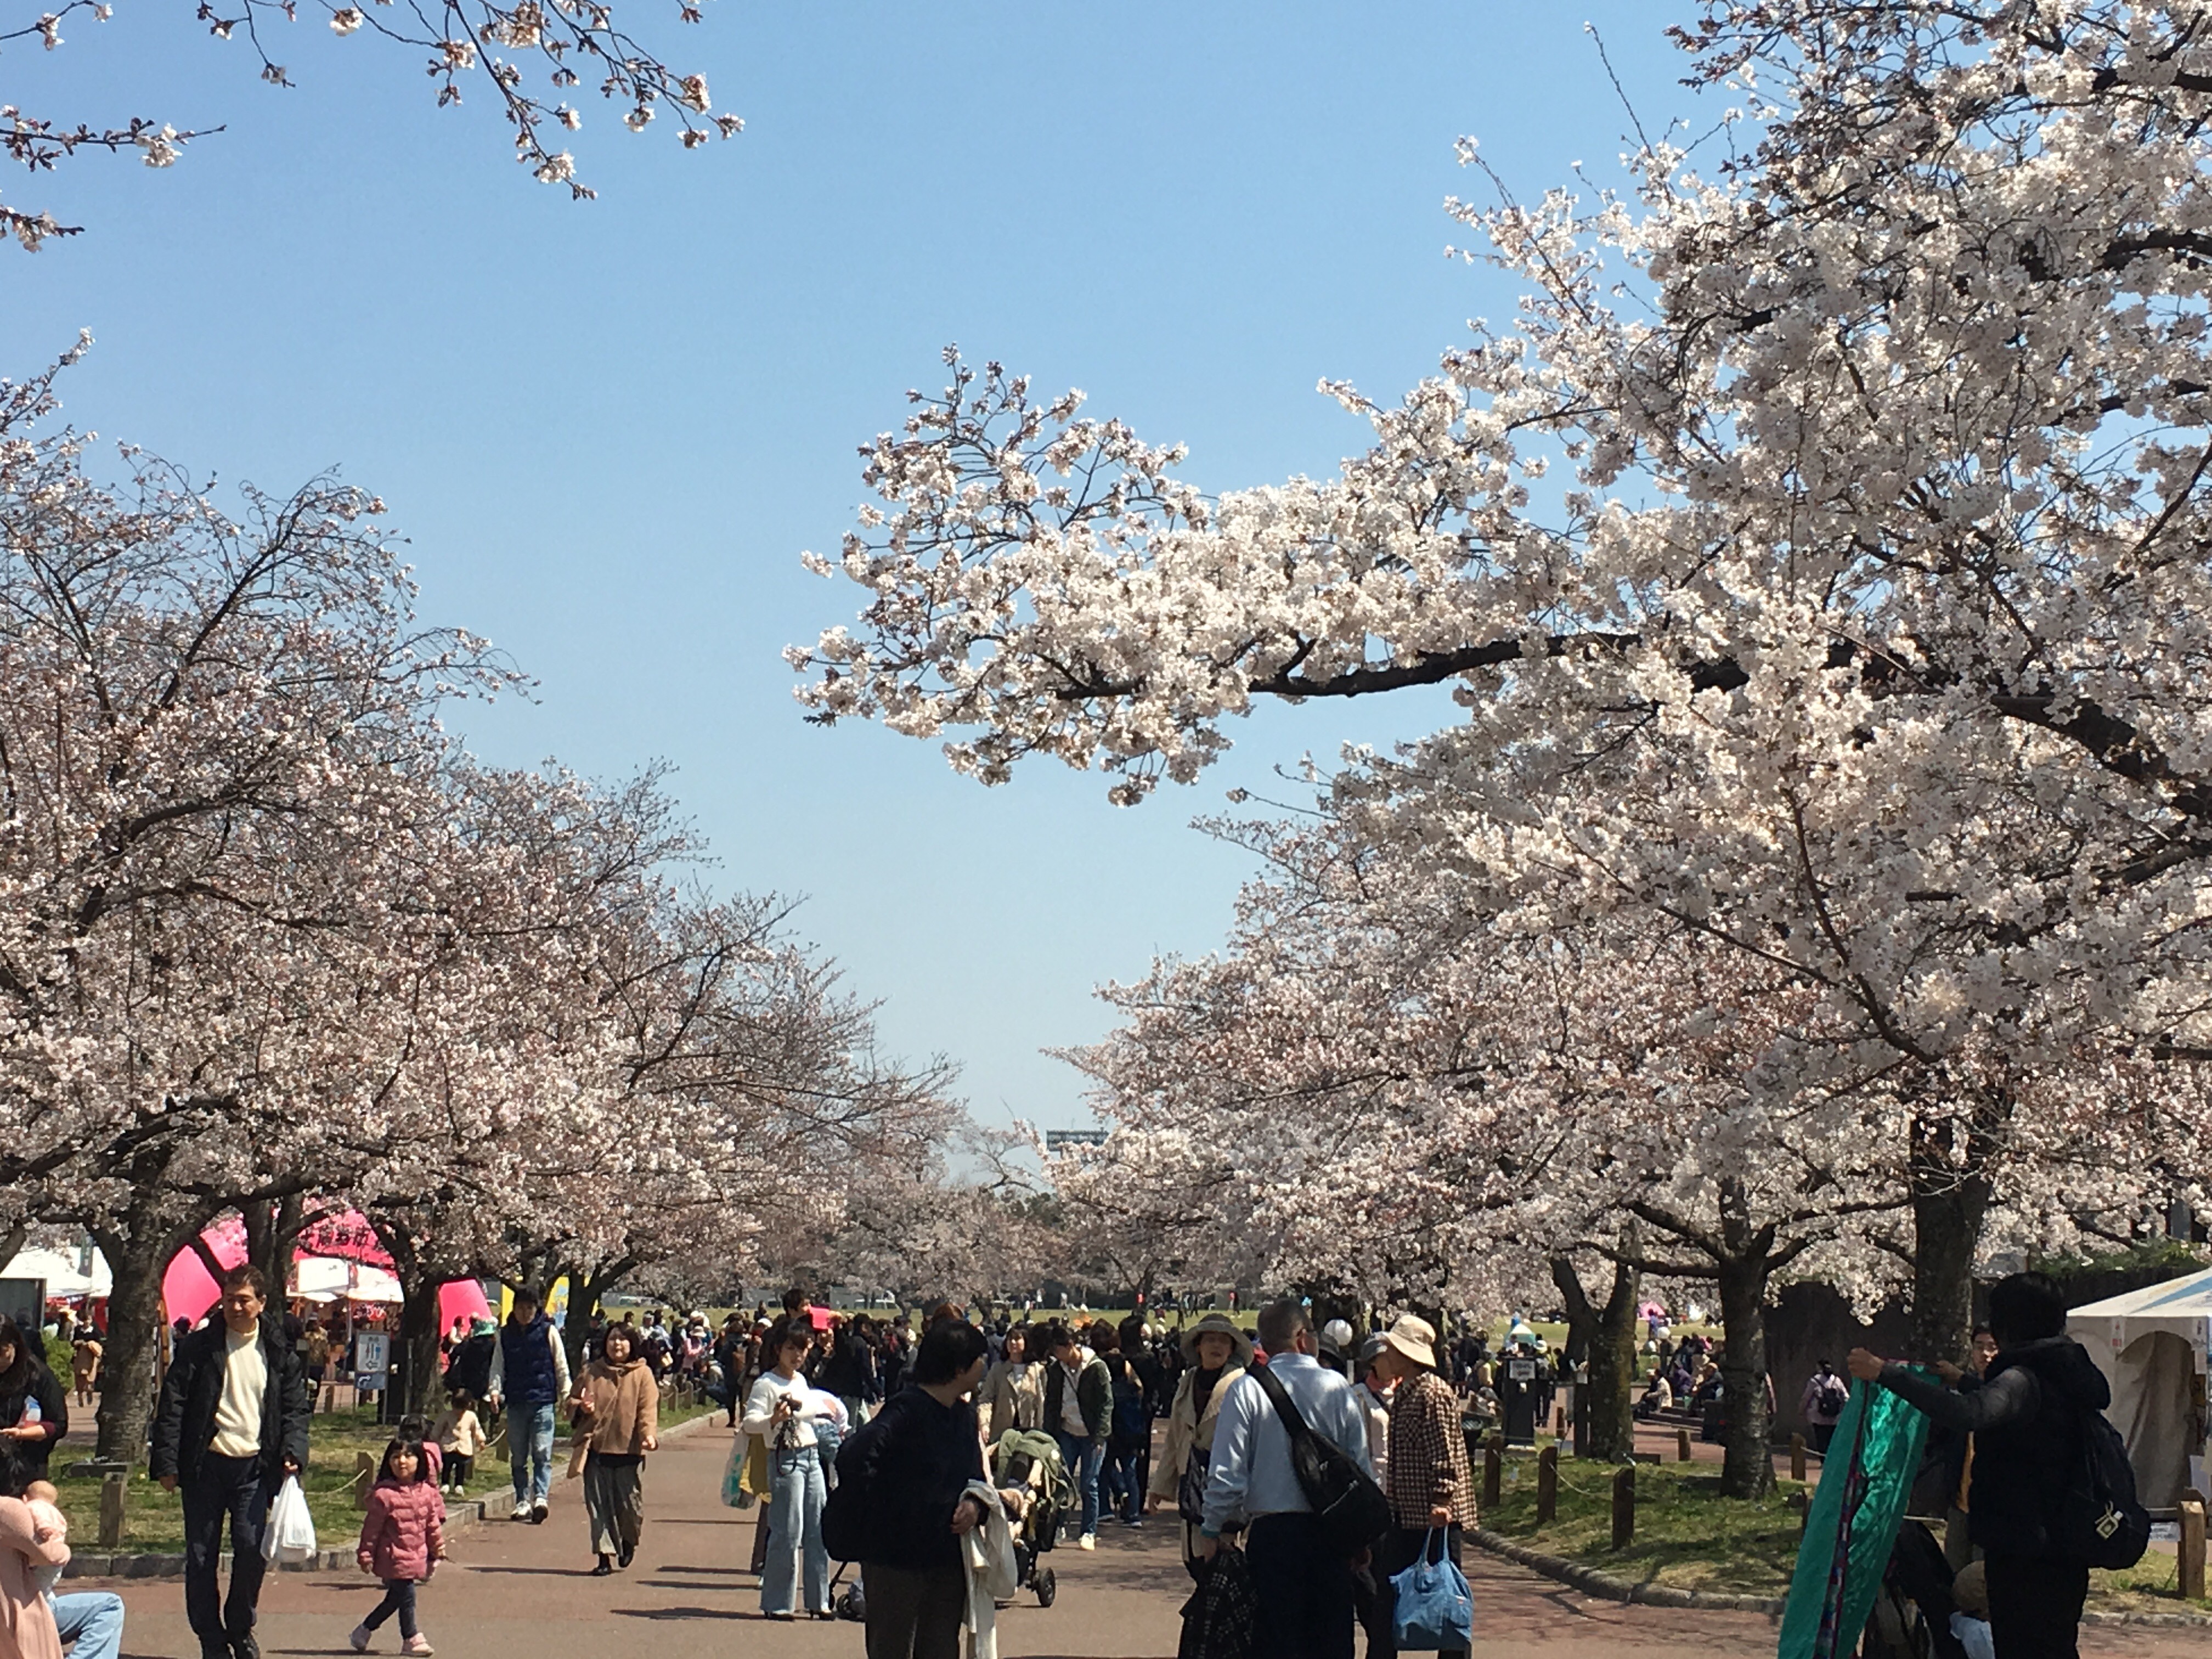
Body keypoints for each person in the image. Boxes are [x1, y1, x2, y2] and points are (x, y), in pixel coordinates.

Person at [1848, 1272, 2111, 1659]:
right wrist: (1962, 1380)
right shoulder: (2065, 1371)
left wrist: (1886, 1374)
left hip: (2026, 1550)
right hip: (2063, 1548)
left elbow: (1971, 1413)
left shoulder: (2022, 1377)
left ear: (2010, 1324)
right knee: (2053, 1646)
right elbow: (2014, 1408)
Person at [832, 1319, 1024, 1659]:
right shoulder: (906, 1410)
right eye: (979, 1359)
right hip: (896, 1560)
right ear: (958, 1367)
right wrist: (890, 1508)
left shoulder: (963, 1416)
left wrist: (976, 1506)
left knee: (940, 1648)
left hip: (946, 1558)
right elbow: (853, 1457)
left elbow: (974, 1480)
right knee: (893, 1649)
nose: (985, 1364)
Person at [1197, 1299, 1376, 1659]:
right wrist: (1362, 1537)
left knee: (1276, 1641)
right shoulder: (1338, 1387)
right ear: (1302, 1338)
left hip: (1274, 1536)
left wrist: (1213, 1529)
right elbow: (1359, 1468)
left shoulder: (1247, 1390)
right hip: (1332, 1534)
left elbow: (1227, 1474)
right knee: (1331, 1642)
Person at [150, 1265, 310, 1659]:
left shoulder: (278, 1350)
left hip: (254, 1468)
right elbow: (173, 1405)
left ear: (261, 1303)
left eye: (244, 1300)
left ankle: (240, 1629)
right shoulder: (200, 1347)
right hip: (205, 1465)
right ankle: (210, 1638)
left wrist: (293, 1451)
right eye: (229, 1299)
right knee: (201, 1554)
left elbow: (294, 1409)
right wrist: (167, 1462)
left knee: (251, 1549)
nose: (236, 1307)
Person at [1368, 1314, 1475, 1659]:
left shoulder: (1433, 1393)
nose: (1386, 1355)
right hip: (1406, 1514)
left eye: (1392, 1349)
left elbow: (1443, 1451)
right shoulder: (1406, 1391)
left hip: (1433, 1516)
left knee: (1446, 1597)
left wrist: (1442, 1499)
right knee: (1388, 1600)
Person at [742, 1315, 834, 1620]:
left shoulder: (801, 1381)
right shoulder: (766, 1384)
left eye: (803, 1349)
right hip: (785, 1458)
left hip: (811, 1457)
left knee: (818, 1530)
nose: (798, 1355)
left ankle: (819, 1600)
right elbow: (750, 1423)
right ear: (778, 1350)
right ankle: (778, 1603)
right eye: (791, 1349)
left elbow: (810, 1412)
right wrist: (773, 1419)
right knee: (787, 1531)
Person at [1147, 1313, 1251, 1574]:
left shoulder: (1242, 1384)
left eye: (1223, 1341)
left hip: (1226, 1483)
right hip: (1190, 1481)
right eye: (1210, 1340)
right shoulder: (1187, 1382)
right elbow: (1174, 1438)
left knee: (1224, 1564)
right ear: (1198, 1346)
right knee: (1194, 1560)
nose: (1217, 1346)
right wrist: (1160, 1486)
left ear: (1232, 1348)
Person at [569, 1321, 659, 1577]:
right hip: (596, 1450)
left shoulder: (643, 1374)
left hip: (629, 1451)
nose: (617, 1344)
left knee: (630, 1507)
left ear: (632, 1344)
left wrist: (648, 1436)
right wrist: (581, 1407)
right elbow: (571, 1401)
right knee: (599, 1506)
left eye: (622, 1339)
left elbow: (648, 1409)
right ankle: (604, 1556)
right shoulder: (591, 1371)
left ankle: (629, 1540)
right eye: (612, 1339)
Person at [348, 1436, 445, 1656]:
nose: (402, 1461)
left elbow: (432, 1524)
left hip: (416, 1554)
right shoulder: (384, 1496)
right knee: (408, 1594)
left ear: (420, 1460)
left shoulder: (427, 1493)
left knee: (395, 1599)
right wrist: (365, 1555)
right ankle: (411, 1637)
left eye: (408, 1456)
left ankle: (363, 1631)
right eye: (395, 1456)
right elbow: (371, 1529)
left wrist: (437, 1547)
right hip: (393, 1556)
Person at [486, 1289, 572, 1523]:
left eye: (529, 1308)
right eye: (521, 1308)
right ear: (514, 1309)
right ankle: (522, 1500)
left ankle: (540, 1497)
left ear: (537, 1309)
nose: (525, 1313)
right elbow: (498, 1366)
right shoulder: (505, 1335)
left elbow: (561, 1365)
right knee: (518, 1456)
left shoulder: (548, 1332)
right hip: (516, 1401)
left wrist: (566, 1394)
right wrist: (495, 1390)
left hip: (543, 1400)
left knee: (542, 1451)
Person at [1040, 1321, 1109, 1550]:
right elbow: (1052, 1402)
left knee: (1089, 1484)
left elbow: (1106, 1404)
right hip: (1067, 1431)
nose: (1056, 1355)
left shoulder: (1096, 1367)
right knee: (1062, 1482)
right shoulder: (1056, 1370)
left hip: (1090, 1434)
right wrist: (1049, 1434)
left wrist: (1100, 1436)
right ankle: (1059, 1526)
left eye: (1058, 1350)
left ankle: (1089, 1531)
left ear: (1070, 1345)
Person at [1096, 1324, 1148, 1527]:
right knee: (1130, 1472)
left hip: (1112, 1435)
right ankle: (1133, 1514)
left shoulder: (1107, 1392)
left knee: (1104, 1470)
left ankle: (1105, 1509)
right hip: (1131, 1435)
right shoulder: (1133, 1390)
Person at [0, 1324, 65, 1484]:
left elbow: (58, 1425)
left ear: (15, 1345)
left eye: (1, 1353)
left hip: (24, 1465)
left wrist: (20, 1434)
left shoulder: (39, 1376)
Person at [977, 1323, 1042, 1443]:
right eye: (1010, 1339)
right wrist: (984, 1424)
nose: (1013, 1342)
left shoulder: (1037, 1370)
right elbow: (986, 1399)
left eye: (1017, 1339)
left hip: (1030, 1433)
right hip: (1003, 1433)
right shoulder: (997, 1369)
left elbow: (1042, 1402)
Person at [1350, 1333, 1393, 1488]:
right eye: (1387, 1357)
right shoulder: (1358, 1394)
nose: (1393, 1361)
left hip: (1404, 1478)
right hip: (1373, 1479)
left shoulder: (1407, 1390)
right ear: (1373, 1361)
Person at [427, 1391, 484, 1498]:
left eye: (461, 1409)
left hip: (463, 1446)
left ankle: (459, 1485)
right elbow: (438, 1429)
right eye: (456, 1408)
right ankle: (445, 1483)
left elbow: (476, 1429)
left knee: (461, 1466)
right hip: (448, 1446)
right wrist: (433, 1440)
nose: (458, 1412)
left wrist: (481, 1440)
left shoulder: (471, 1416)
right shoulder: (446, 1416)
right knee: (447, 1465)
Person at [1801, 1360, 1849, 1454]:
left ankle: (1823, 1459)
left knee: (1821, 1441)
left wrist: (1802, 1410)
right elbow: (1846, 1397)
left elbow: (1806, 1397)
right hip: (1835, 1417)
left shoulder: (1814, 1381)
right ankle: (1831, 1458)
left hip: (1818, 1417)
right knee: (1832, 1441)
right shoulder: (1837, 1380)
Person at [67, 1329, 99, 1413]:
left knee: (90, 1377)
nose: (86, 1323)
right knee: (79, 1377)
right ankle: (80, 1397)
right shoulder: (79, 1330)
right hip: (80, 1357)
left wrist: (91, 1344)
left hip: (91, 1357)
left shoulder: (95, 1330)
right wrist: (78, 1343)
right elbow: (73, 1343)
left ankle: (90, 1391)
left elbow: (99, 1343)